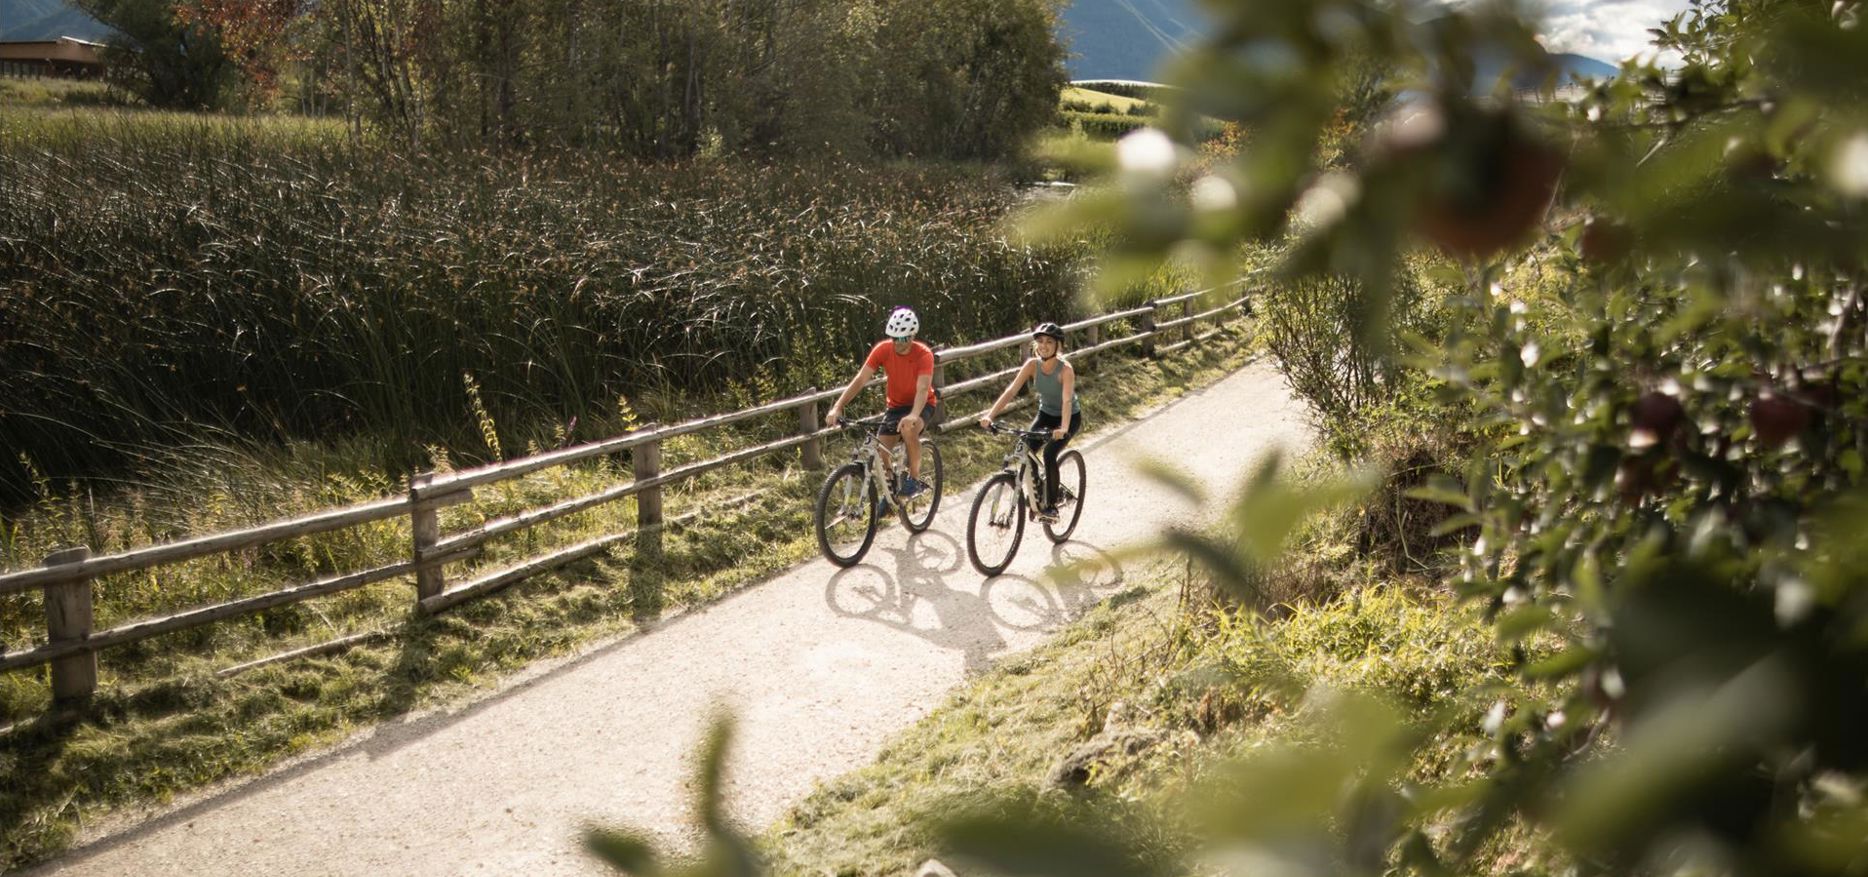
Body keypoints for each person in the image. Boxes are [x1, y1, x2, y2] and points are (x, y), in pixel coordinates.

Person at [826, 306, 943, 498]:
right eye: (894, 338)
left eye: (903, 338)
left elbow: (922, 389)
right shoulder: (883, 349)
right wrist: (838, 407)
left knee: (908, 429)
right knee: (881, 450)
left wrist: (913, 415)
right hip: (896, 405)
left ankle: (913, 480)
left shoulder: (923, 354)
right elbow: (860, 380)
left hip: (921, 404)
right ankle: (892, 490)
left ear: (912, 336)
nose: (897, 343)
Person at [979, 322, 1083, 522]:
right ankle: (1037, 493)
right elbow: (1011, 391)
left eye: (1049, 342)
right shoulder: (1031, 365)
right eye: (1040, 341)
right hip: (1045, 414)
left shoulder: (1065, 369)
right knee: (1024, 448)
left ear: (1058, 346)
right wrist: (990, 416)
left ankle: (1051, 506)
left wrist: (1063, 428)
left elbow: (1067, 400)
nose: (1044, 345)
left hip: (1067, 417)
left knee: (1050, 453)